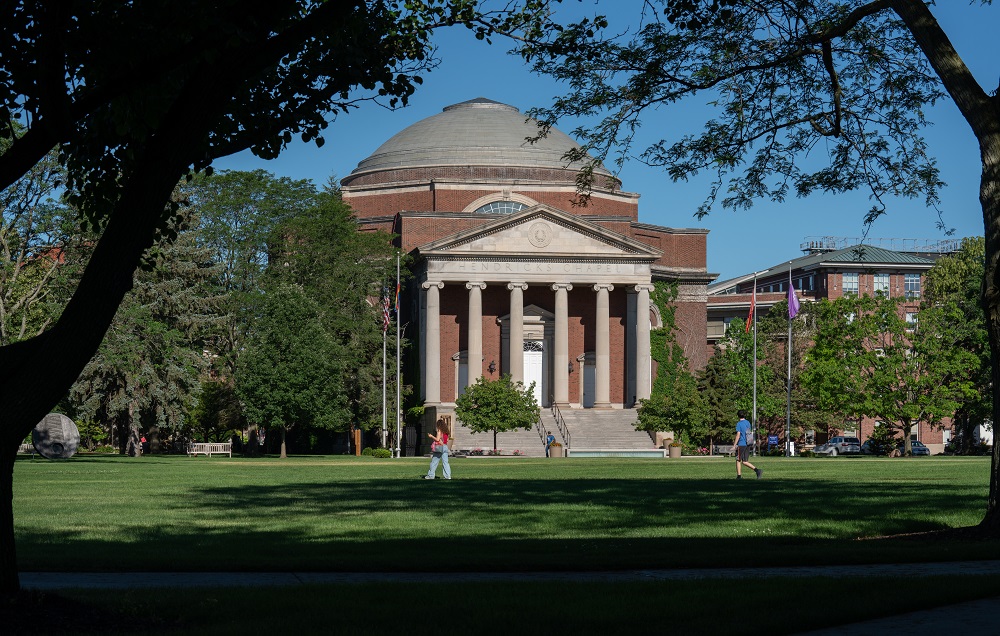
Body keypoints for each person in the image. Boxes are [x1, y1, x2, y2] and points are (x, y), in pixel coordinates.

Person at [734, 409, 762, 479]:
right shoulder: (748, 423)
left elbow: (738, 434)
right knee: (745, 461)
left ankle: (739, 476)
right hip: (748, 443)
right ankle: (757, 470)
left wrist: (734, 444)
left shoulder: (739, 424)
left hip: (741, 443)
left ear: (738, 416)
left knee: (738, 460)